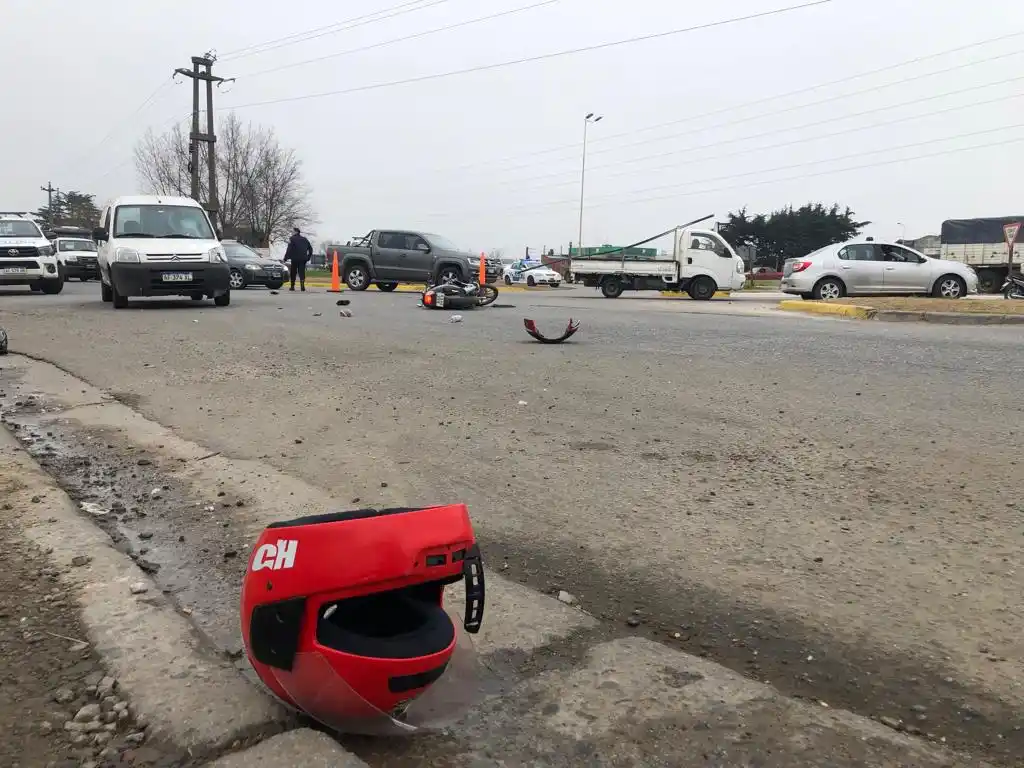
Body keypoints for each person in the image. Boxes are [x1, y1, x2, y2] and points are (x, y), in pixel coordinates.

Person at [284, 227, 313, 291]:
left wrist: (285, 258)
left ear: (296, 232)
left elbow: (289, 249)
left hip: (294, 258)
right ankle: (302, 286)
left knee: (293, 272)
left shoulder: (292, 239)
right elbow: (310, 249)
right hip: (303, 258)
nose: (291, 233)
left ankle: (292, 287)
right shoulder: (305, 239)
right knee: (301, 272)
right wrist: (308, 257)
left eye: (292, 231)